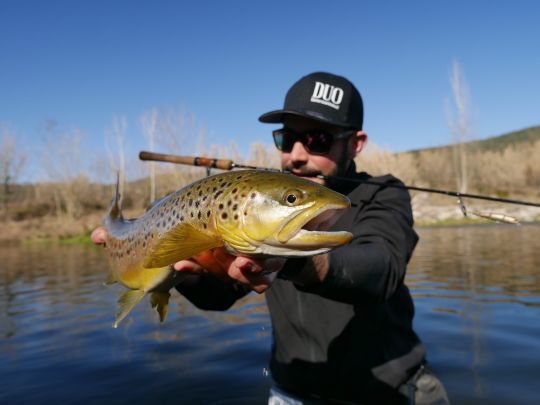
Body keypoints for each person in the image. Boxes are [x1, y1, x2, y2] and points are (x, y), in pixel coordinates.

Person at [92, 72, 449, 404]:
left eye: (317, 140)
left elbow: (380, 270)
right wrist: (186, 270)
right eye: (287, 138)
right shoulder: (246, 213)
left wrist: (293, 262)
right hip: (291, 393)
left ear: (356, 144)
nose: (296, 156)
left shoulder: (383, 194)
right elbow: (220, 297)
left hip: (391, 391)